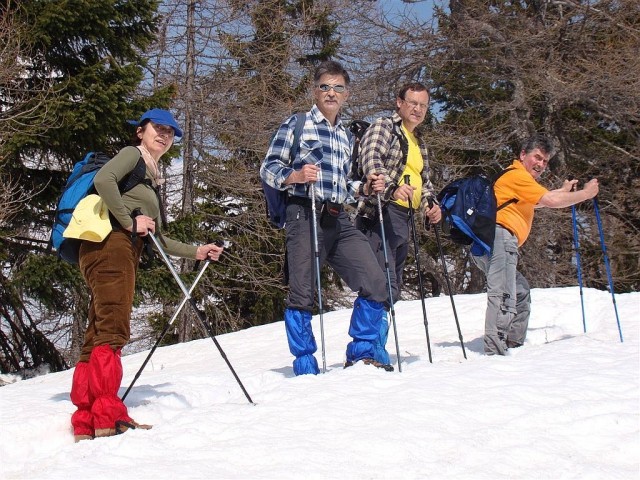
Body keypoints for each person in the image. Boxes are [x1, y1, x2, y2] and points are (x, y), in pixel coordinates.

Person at [70, 109, 225, 442]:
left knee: (98, 330)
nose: (165, 135)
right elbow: (103, 181)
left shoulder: (151, 175)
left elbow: (155, 237)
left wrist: (197, 251)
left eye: (171, 132)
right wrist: (128, 222)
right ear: (141, 131)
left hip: (108, 247)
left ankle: (87, 419)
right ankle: (107, 416)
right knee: (112, 329)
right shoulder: (131, 156)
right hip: (111, 245)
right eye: (159, 128)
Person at [260, 60, 392, 375]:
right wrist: (295, 175)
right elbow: (268, 168)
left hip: (337, 218)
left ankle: (361, 352)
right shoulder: (297, 123)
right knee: (303, 291)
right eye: (324, 87)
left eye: (338, 87)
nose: (331, 93)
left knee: (375, 281)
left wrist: (364, 188)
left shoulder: (346, 136)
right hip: (303, 213)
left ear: (347, 94)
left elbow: (344, 185)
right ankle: (306, 364)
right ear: (315, 90)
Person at [471, 135, 599, 355]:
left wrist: (563, 192)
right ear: (523, 155)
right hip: (501, 238)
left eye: (545, 161)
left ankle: (513, 344)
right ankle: (494, 352)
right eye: (537, 157)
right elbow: (549, 201)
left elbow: (540, 201)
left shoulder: (519, 180)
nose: (540, 164)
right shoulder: (518, 176)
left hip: (493, 241)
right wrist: (585, 194)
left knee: (519, 292)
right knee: (504, 295)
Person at [355, 82, 441, 303]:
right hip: (381, 213)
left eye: (423, 105)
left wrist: (431, 205)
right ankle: (366, 338)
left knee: (392, 287)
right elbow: (371, 160)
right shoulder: (385, 126)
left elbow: (425, 182)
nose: (418, 109)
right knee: (382, 285)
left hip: (404, 219)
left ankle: (376, 337)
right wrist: (392, 188)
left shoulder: (419, 142)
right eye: (413, 103)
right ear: (399, 103)